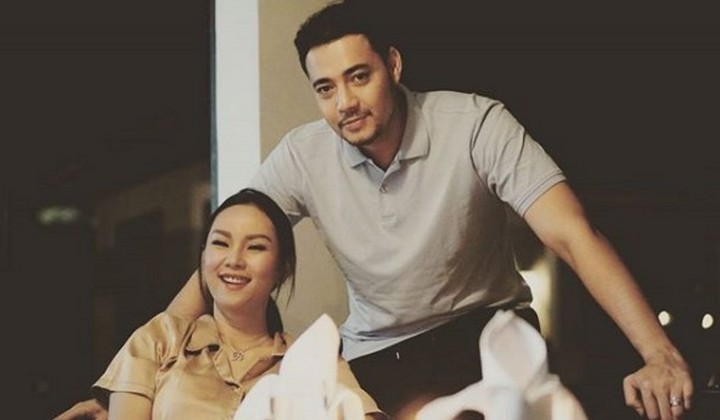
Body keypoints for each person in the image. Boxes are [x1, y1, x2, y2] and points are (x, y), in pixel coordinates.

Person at [60, 1, 693, 419]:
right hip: (376, 353)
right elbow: (226, 256)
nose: (344, 103)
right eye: (325, 88)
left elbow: (574, 235)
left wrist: (657, 353)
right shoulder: (304, 154)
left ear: (392, 65)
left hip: (485, 328)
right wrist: (124, 388)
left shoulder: (476, 122)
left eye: (358, 77)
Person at [55, 188, 384, 419]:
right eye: (221, 243)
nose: (234, 259)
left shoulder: (311, 359)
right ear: (203, 257)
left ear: (282, 269)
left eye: (255, 247)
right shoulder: (158, 339)